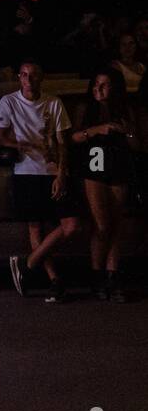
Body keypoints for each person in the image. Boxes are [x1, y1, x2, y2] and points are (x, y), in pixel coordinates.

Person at [0, 61, 81, 302]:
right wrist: (22, 145)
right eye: (24, 75)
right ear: (19, 77)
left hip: (51, 170)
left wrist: (61, 174)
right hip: (26, 172)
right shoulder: (9, 101)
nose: (29, 80)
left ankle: (28, 264)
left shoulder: (53, 103)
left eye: (33, 75)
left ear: (41, 78)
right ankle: (54, 280)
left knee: (71, 225)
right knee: (35, 227)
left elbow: (63, 142)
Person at [71, 67, 137, 302]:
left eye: (104, 84)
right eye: (96, 84)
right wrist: (97, 130)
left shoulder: (123, 109)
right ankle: (96, 275)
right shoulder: (85, 109)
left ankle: (113, 276)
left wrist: (127, 133)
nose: (98, 89)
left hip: (118, 170)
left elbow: (136, 142)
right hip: (94, 172)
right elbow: (75, 137)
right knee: (101, 225)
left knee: (116, 226)